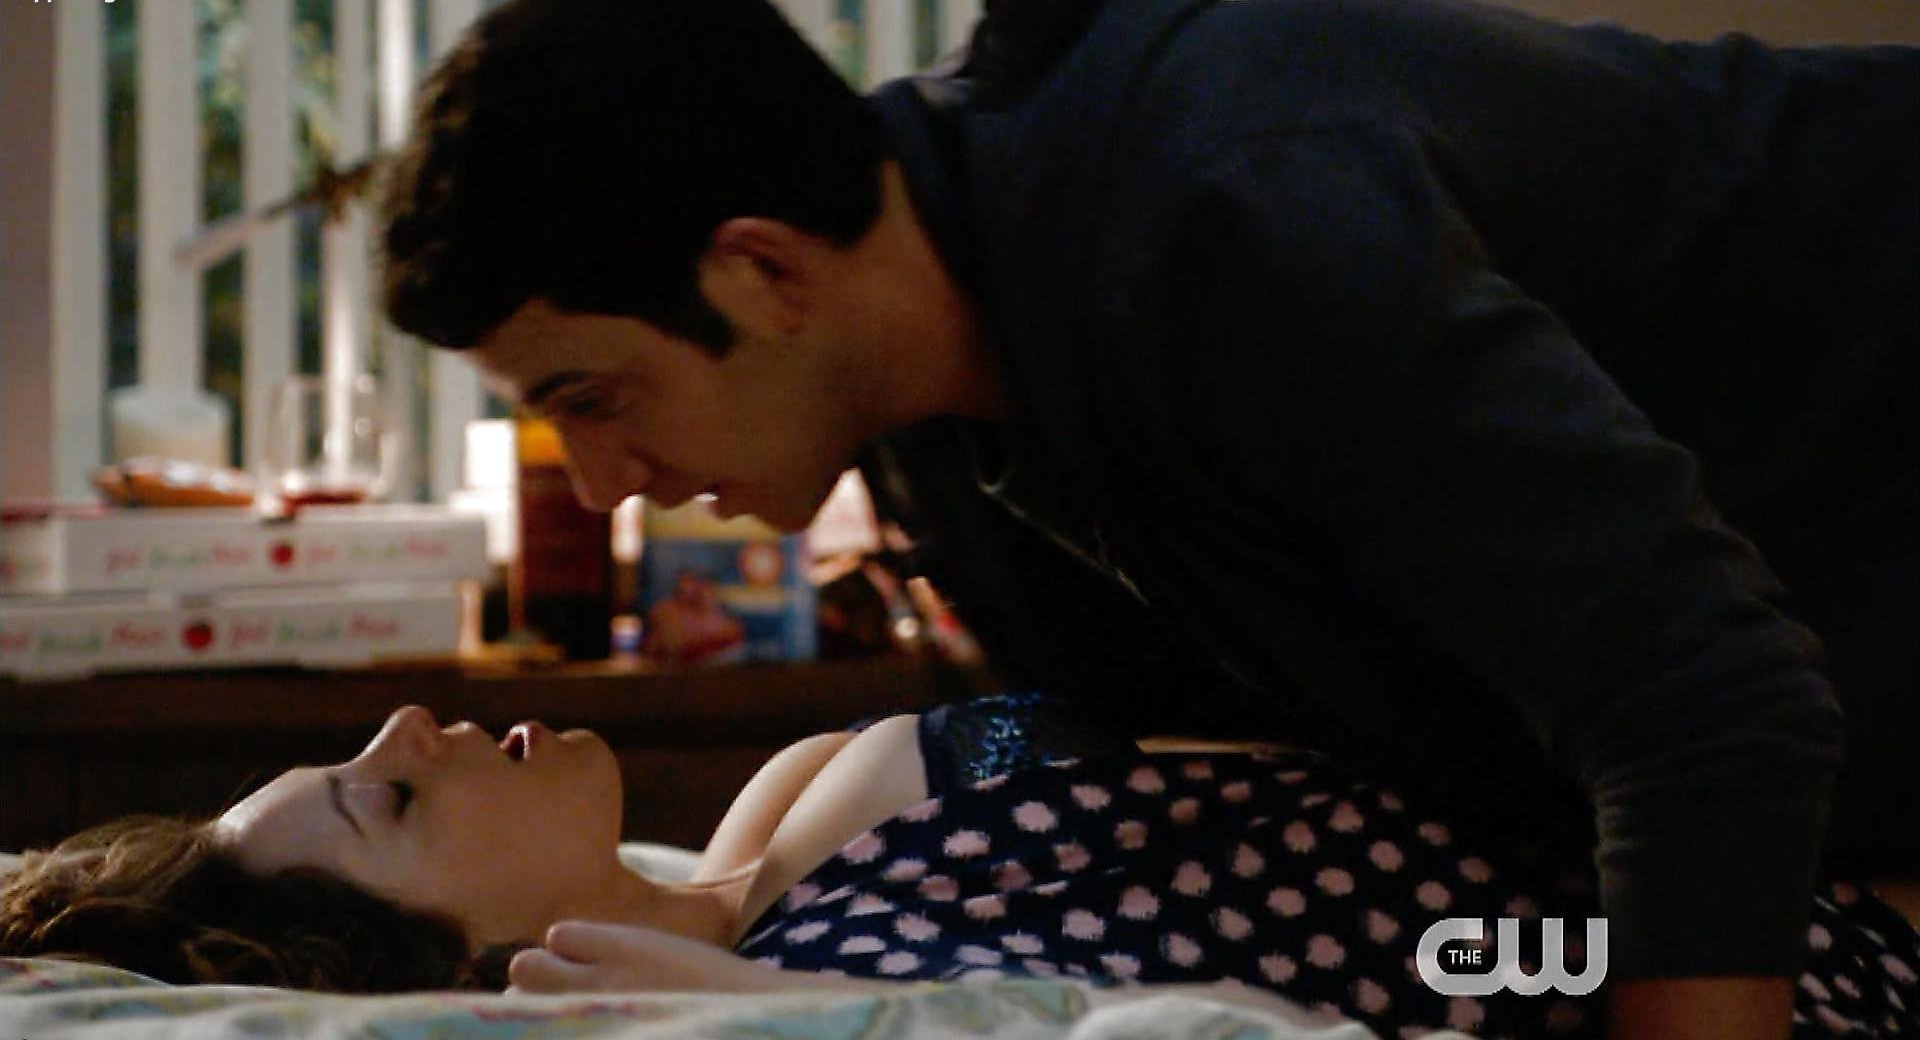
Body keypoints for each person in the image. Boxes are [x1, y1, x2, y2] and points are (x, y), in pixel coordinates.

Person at [375, 0, 1917, 1037]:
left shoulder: (1239, 228)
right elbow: (1226, 821)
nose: (600, 485)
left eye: (595, 396)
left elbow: (1704, 707)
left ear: (761, 271)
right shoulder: (946, 429)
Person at [3, 700, 1915, 1038]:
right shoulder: (857, 980)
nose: (414, 724)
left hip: (1704, 839)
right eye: (389, 800)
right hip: (1714, 975)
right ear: (479, 959)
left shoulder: (775, 812)